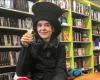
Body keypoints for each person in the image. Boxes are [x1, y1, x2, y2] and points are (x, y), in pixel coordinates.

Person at [15, 2, 67, 80]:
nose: (43, 28)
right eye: (39, 25)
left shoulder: (60, 47)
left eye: (47, 25)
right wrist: (25, 47)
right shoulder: (31, 45)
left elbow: (60, 70)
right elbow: (21, 72)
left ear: (52, 29)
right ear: (36, 28)